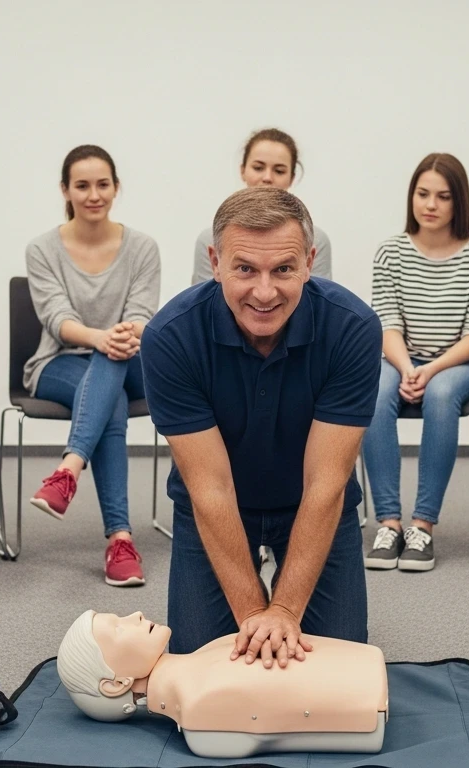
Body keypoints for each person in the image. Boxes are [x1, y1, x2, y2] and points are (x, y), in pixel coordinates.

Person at [142, 186, 382, 663]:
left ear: (309, 262)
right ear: (215, 262)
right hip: (214, 506)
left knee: (335, 665)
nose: (265, 292)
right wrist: (256, 614)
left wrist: (286, 610)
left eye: (284, 269)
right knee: (202, 662)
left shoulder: (353, 328)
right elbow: (210, 489)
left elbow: (326, 482)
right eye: (245, 269)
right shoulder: (170, 338)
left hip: (314, 505)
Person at [24, 145, 162, 587]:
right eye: (82, 185)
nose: (93, 194)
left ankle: (68, 470)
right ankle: (120, 539)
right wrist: (102, 337)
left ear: (116, 187)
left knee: (112, 366)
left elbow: (141, 316)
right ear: (65, 189)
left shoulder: (142, 247)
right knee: (113, 399)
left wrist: (115, 338)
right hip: (58, 362)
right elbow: (57, 319)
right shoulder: (43, 248)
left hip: (127, 355)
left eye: (103, 184)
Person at [361, 153, 469, 573]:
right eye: (423, 194)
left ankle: (422, 525)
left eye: (443, 196)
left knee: (440, 394)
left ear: (459, 202)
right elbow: (387, 324)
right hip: (403, 358)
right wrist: (407, 367)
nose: (431, 204)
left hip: (467, 364)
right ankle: (389, 523)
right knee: (373, 388)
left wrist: (431, 369)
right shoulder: (391, 252)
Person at [56, 610, 387, 759]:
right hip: (365, 700)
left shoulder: (204, 658)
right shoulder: (199, 698)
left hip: (366, 682)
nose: (137, 614)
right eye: (118, 629)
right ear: (116, 685)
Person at [191, 128, 332, 284]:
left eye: (279, 171)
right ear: (243, 170)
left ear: (291, 178)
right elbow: (204, 301)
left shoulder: (316, 240)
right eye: (258, 168)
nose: (267, 178)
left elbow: (318, 300)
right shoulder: (209, 239)